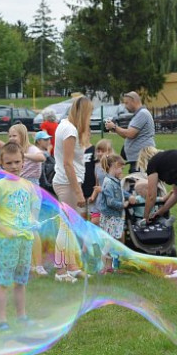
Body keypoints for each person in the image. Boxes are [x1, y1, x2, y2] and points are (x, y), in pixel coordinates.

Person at [0, 143, 40, 331]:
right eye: (9, 162)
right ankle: (2, 320)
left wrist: (33, 222)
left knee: (21, 281)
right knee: (4, 281)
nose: (14, 166)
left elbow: (31, 210)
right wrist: (6, 230)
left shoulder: (28, 186)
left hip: (25, 239)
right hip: (7, 241)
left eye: (17, 161)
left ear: (23, 162)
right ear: (1, 162)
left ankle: (21, 316)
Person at [52, 97, 94, 283]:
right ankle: (61, 271)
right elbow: (68, 164)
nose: (90, 118)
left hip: (67, 182)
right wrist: (78, 192)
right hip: (68, 184)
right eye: (89, 114)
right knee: (65, 228)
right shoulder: (70, 131)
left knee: (69, 227)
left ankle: (71, 266)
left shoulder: (66, 125)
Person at [106, 91, 156, 172]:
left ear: (134, 101)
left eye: (126, 103)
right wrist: (114, 129)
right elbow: (126, 135)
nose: (125, 106)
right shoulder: (138, 114)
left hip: (142, 159)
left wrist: (114, 127)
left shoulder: (142, 114)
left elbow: (130, 134)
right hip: (137, 159)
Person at [98, 153, 128, 272]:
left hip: (115, 217)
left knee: (112, 241)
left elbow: (121, 192)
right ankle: (103, 266)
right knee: (108, 242)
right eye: (121, 168)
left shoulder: (115, 181)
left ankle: (109, 266)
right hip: (110, 217)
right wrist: (122, 205)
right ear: (114, 166)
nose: (121, 171)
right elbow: (110, 202)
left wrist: (130, 196)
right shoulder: (109, 183)